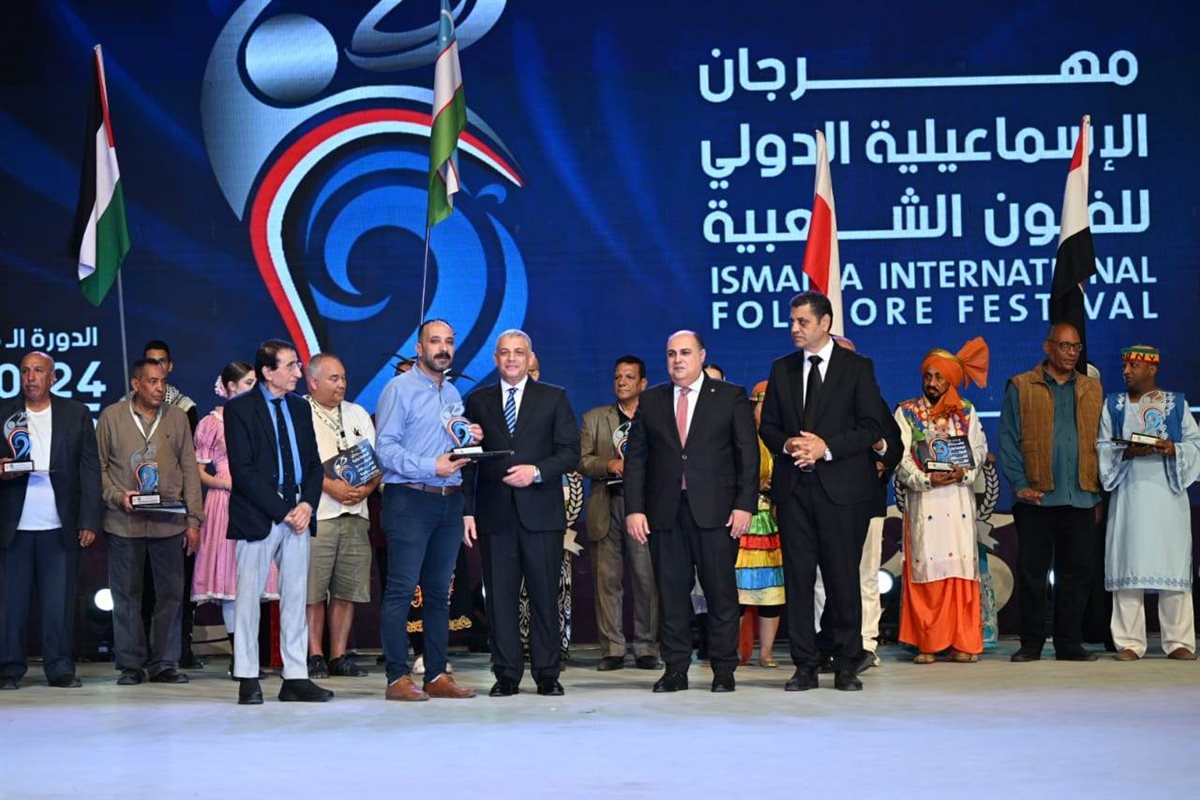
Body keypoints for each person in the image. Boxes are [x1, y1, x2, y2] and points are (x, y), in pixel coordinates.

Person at [758, 291, 888, 692]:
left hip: (841, 491)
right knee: (798, 581)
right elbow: (768, 426)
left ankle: (847, 663)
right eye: (792, 321)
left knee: (842, 578)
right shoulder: (782, 369)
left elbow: (871, 426)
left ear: (825, 322)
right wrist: (789, 445)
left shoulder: (857, 368)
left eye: (803, 322)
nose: (794, 329)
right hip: (795, 491)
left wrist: (825, 448)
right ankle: (805, 665)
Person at [624, 330, 758, 694]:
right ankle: (676, 670)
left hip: (717, 513)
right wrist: (634, 509)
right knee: (671, 596)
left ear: (701, 356)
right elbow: (636, 459)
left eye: (685, 353)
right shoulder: (651, 400)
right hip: (665, 514)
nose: (677, 360)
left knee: (721, 594)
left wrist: (744, 505)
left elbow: (747, 454)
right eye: (671, 354)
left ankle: (724, 669)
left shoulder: (729, 396)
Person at [462, 329, 580, 697]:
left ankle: (547, 673)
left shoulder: (554, 397)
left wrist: (537, 471)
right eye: (504, 352)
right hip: (495, 516)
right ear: (495, 358)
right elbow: (468, 461)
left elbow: (570, 452)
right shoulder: (477, 400)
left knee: (544, 595)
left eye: (518, 352)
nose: (511, 358)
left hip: (541, 514)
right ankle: (506, 674)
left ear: (530, 357)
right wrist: (467, 512)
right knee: (500, 598)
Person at [373, 320, 480, 701]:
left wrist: (469, 440)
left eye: (449, 341)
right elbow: (384, 449)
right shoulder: (398, 389)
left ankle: (436, 673)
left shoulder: (451, 391)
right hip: (409, 498)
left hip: (448, 500)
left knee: (439, 593)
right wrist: (429, 466)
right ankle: (397, 677)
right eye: (435, 341)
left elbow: (448, 445)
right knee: (401, 590)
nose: (443, 348)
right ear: (419, 348)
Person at [224, 339, 330, 704]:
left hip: (298, 514)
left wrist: (307, 504)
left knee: (296, 596)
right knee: (249, 597)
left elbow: (314, 464)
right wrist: (283, 510)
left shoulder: (300, 407)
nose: (298, 372)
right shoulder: (239, 409)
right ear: (268, 372)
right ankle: (247, 677)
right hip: (260, 514)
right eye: (290, 366)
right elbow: (243, 471)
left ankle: (295, 676)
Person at [999, 322, 1103, 662]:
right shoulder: (1021, 385)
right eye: (1064, 346)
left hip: (1081, 495)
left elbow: (1102, 442)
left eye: (1076, 347)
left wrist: (1099, 489)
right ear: (1047, 347)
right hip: (1036, 498)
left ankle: (1068, 643)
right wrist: (1020, 484)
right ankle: (1031, 643)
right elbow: (1008, 439)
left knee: (1077, 574)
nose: (1071, 353)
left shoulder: (1092, 388)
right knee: (1033, 574)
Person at [96, 358, 204, 685]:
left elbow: (190, 469)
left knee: (170, 594)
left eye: (163, 382)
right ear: (136, 384)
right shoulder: (112, 416)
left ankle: (164, 663)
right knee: (126, 595)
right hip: (123, 522)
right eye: (153, 382)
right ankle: (131, 664)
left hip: (168, 523)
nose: (160, 389)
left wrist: (194, 520)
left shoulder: (177, 418)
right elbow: (98, 468)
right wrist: (118, 496)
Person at [0, 351, 102, 690]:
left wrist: (89, 519)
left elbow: (90, 469)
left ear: (53, 377)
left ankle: (59, 668)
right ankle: (9, 668)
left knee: (58, 604)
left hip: (59, 525)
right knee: (11, 604)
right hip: (13, 527)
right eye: (25, 371)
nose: (30, 377)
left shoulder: (76, 413)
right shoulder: (3, 412)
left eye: (38, 371)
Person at [1097, 345, 1199, 661]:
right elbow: (1102, 446)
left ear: (1152, 369)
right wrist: (1127, 452)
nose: (1126, 372)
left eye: (1133, 366)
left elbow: (1195, 444)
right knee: (1129, 564)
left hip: (1168, 498)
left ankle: (1178, 641)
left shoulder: (1177, 404)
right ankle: (1129, 642)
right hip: (1129, 497)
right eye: (1124, 366)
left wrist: (1173, 449)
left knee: (1172, 566)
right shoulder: (1113, 405)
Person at [893, 339, 990, 663]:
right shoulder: (907, 412)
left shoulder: (966, 412)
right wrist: (925, 479)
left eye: (939, 377)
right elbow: (899, 457)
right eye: (928, 376)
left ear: (951, 380)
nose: (932, 383)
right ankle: (928, 644)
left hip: (958, 502)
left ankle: (963, 642)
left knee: (959, 569)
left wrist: (965, 472)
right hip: (926, 503)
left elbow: (979, 450)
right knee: (928, 568)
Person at [190, 361, 277, 675]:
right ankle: (239, 656)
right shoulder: (212, 423)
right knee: (230, 582)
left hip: (257, 501)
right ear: (229, 387)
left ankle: (249, 653)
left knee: (253, 581)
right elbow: (198, 470)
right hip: (225, 502)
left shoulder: (263, 418)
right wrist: (225, 483)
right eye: (248, 383)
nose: (254, 389)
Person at [578, 355, 661, 672]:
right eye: (617, 377)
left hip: (643, 507)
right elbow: (581, 460)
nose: (622, 382)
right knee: (607, 580)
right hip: (606, 502)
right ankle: (612, 649)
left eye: (629, 377)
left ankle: (646, 647)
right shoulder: (594, 418)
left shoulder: (655, 416)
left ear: (643, 383)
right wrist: (609, 464)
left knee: (646, 579)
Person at [304, 353, 380, 680]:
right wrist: (329, 486)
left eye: (343, 378)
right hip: (319, 514)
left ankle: (339, 655)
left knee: (347, 589)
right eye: (333, 378)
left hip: (356, 514)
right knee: (313, 589)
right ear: (313, 382)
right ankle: (314, 654)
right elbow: (299, 465)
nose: (341, 384)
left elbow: (376, 462)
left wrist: (367, 489)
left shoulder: (357, 413)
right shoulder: (301, 413)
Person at [142, 339, 203, 668]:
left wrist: (192, 515)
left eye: (162, 361)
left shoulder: (185, 408)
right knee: (143, 587)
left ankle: (181, 648)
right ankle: (143, 652)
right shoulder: (123, 408)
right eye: (151, 362)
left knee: (177, 587)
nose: (158, 367)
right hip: (136, 512)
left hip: (174, 510)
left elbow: (189, 464)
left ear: (171, 366)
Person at [736, 381, 785, 668]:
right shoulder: (741, 439)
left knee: (772, 590)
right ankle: (730, 649)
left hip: (772, 522)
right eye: (762, 407)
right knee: (736, 589)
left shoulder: (782, 442)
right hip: (742, 520)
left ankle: (766, 652)